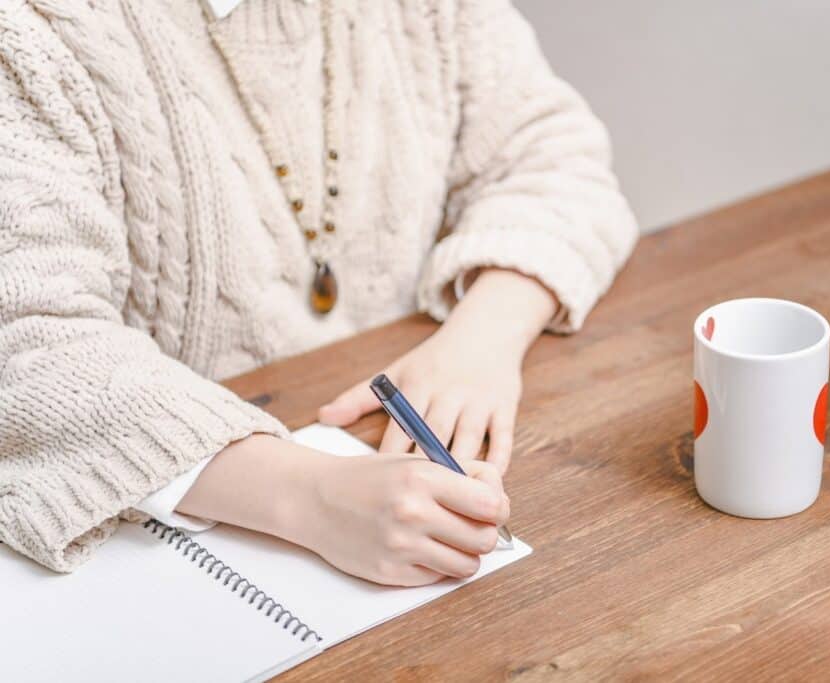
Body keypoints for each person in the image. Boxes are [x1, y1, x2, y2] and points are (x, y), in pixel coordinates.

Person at [0, 0, 636, 585]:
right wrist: (309, 494)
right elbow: (29, 339)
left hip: (399, 439)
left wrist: (486, 335)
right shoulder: (34, 30)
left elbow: (556, 158)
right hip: (183, 525)